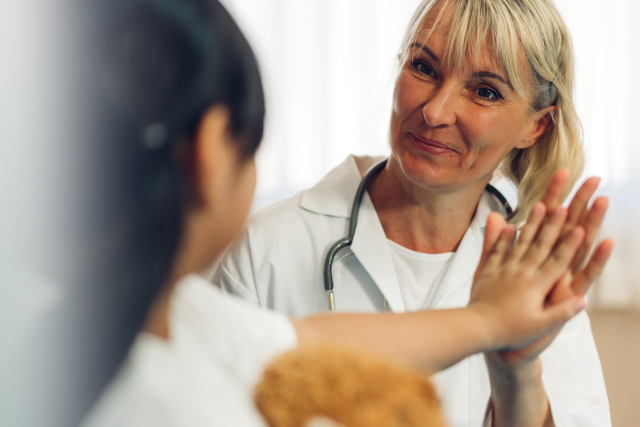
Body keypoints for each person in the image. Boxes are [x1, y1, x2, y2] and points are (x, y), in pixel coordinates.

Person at [214, 0, 613, 426]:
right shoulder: (268, 246)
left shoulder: (535, 276)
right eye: (424, 68)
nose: (435, 112)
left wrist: (517, 377)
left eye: (485, 91)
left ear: (536, 126)